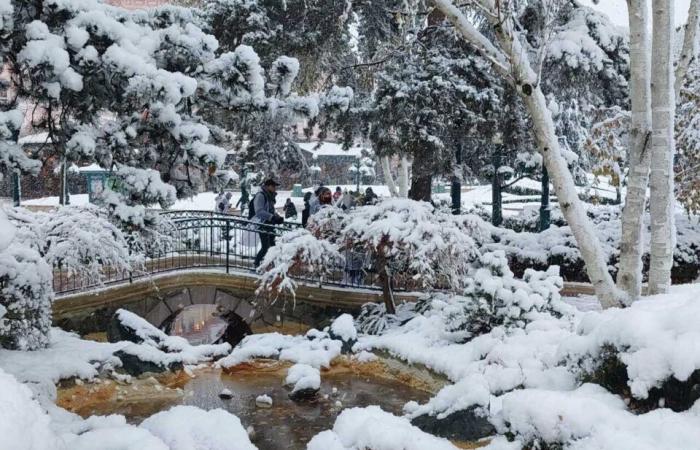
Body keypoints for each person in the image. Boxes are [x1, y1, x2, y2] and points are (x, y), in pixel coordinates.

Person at [253, 179, 284, 267]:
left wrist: (277, 217)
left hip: (269, 224)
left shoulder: (269, 196)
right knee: (265, 247)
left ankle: (271, 265)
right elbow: (259, 211)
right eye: (273, 186)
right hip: (262, 224)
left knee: (273, 246)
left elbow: (271, 210)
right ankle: (257, 263)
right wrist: (272, 217)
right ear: (267, 186)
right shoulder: (261, 195)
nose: (275, 188)